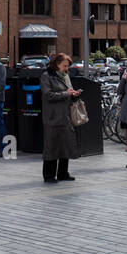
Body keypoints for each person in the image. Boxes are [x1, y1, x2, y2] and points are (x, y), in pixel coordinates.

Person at [40, 53, 83, 183]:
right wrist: (66, 93)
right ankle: (49, 175)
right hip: (52, 116)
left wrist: (75, 94)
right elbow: (48, 95)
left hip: (65, 115)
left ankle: (63, 173)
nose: (66, 68)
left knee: (65, 144)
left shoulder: (65, 76)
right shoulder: (46, 76)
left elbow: (69, 93)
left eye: (67, 66)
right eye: (64, 66)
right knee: (51, 145)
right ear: (57, 64)